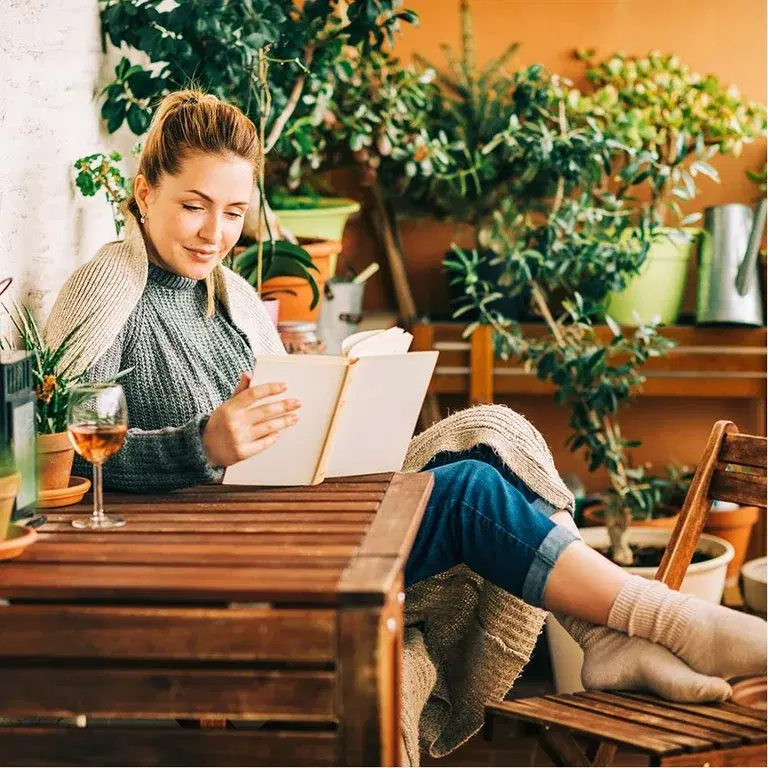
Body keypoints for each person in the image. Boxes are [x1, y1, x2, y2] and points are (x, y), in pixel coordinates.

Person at [46, 90, 765, 719]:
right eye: (193, 206)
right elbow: (62, 461)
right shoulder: (107, 286)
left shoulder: (230, 295)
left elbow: (277, 424)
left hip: (284, 520)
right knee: (468, 493)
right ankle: (670, 620)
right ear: (144, 192)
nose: (215, 233)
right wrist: (201, 446)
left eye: (234, 213)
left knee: (491, 438)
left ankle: (602, 637)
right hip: (226, 558)